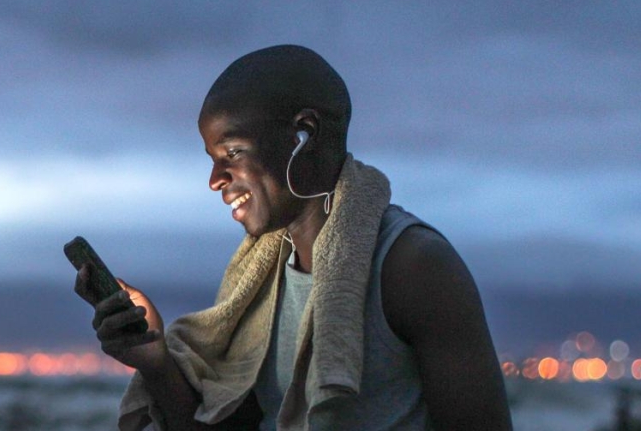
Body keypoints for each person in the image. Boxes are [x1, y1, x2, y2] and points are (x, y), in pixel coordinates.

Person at [74, 45, 511, 430]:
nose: (214, 180)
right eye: (211, 159)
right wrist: (157, 363)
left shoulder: (413, 266)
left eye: (233, 153)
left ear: (306, 134)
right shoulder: (262, 280)